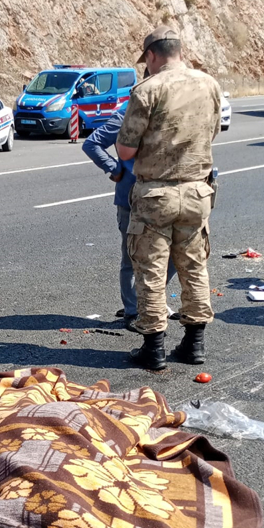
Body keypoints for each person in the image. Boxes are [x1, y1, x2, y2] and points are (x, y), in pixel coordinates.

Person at [116, 25, 222, 371]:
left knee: (150, 269)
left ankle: (154, 347)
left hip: (156, 194)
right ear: (180, 50)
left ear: (151, 55)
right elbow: (213, 133)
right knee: (194, 266)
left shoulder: (148, 89)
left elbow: (125, 149)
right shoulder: (209, 84)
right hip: (197, 191)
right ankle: (194, 344)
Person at [82, 100, 177, 332]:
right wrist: (115, 169)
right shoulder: (128, 114)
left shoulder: (175, 109)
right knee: (132, 257)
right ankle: (133, 311)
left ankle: (149, 299)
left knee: (175, 253)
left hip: (167, 198)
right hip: (132, 200)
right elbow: (92, 143)